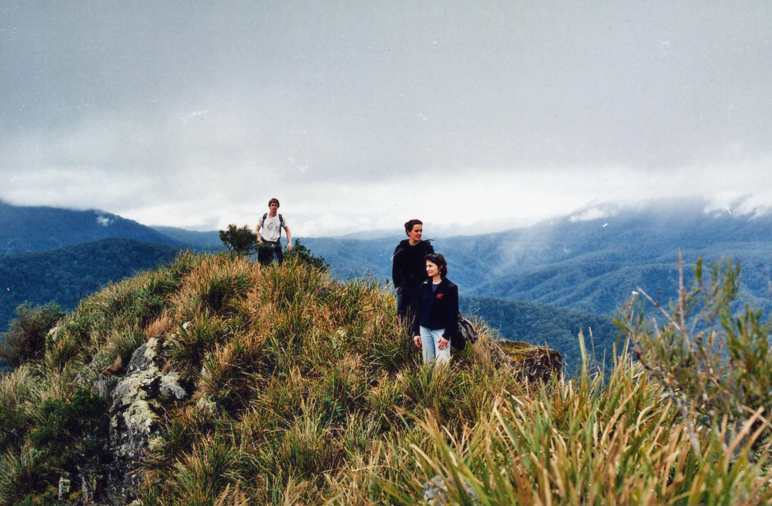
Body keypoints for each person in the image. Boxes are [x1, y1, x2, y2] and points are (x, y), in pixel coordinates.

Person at [412, 253, 458, 365]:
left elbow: (453, 314)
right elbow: (418, 310)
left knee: (442, 365)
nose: (427, 269)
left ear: (440, 267)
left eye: (431, 266)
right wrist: (416, 332)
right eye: (426, 266)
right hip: (424, 329)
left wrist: (446, 336)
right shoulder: (424, 285)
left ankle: (441, 383)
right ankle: (428, 383)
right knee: (428, 363)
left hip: (441, 331)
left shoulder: (450, 287)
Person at [392, 219, 434, 331]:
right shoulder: (401, 248)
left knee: (420, 318)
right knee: (402, 318)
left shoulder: (426, 248)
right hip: (405, 289)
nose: (419, 233)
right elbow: (395, 270)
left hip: (422, 288)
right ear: (408, 232)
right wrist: (398, 287)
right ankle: (403, 342)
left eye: (421, 230)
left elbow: (434, 268)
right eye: (416, 231)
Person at [256, 197, 292, 265]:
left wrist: (289, 242)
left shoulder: (281, 218)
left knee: (279, 264)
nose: (274, 206)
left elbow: (288, 230)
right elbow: (256, 229)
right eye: (272, 205)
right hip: (264, 244)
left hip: (276, 244)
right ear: (269, 206)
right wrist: (258, 238)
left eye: (276, 205)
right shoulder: (264, 217)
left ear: (278, 207)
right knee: (262, 265)